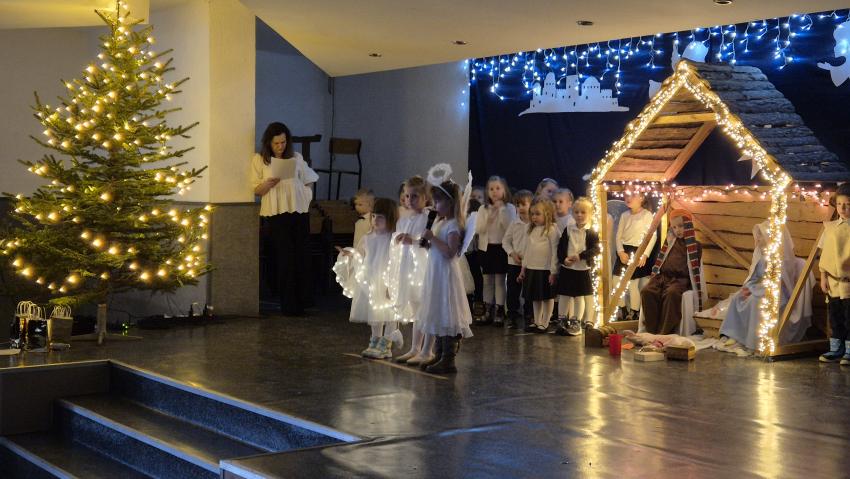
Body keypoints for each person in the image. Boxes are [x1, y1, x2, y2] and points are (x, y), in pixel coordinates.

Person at [251, 122, 318, 316]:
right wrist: (269, 183)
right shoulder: (260, 160)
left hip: (298, 210)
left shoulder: (296, 157)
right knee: (285, 257)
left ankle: (303, 301)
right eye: (276, 143)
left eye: (283, 142)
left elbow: (309, 179)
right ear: (269, 143)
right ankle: (289, 305)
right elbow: (256, 190)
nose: (280, 146)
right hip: (277, 213)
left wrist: (306, 194)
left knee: (301, 254)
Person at [717, 221, 811, 353]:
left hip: (777, 295)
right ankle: (735, 334)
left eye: (761, 235)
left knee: (756, 302)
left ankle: (754, 342)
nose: (758, 239)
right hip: (759, 290)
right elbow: (755, 277)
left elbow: (779, 282)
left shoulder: (781, 259)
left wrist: (755, 290)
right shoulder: (761, 258)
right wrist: (748, 288)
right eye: (758, 236)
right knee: (737, 298)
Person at [416, 180, 474, 374]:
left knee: (447, 311)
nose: (435, 205)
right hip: (436, 273)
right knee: (438, 311)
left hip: (446, 276)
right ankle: (439, 353)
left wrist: (432, 238)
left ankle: (448, 358)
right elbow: (437, 249)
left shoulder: (454, 225)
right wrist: (428, 243)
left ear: (450, 203)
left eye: (438, 201)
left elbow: (450, 252)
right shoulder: (440, 222)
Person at [334, 198, 402, 359]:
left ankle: (386, 344)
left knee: (389, 313)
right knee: (375, 313)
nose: (375, 220)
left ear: (390, 218)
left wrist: (392, 283)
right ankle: (375, 340)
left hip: (387, 281)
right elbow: (360, 254)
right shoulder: (368, 237)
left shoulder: (393, 238)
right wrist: (350, 255)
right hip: (371, 281)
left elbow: (397, 260)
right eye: (374, 216)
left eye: (380, 217)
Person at [390, 176, 436, 366]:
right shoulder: (404, 218)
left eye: (415, 196)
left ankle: (428, 350)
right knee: (417, 309)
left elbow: (430, 243)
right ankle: (415, 348)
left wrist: (414, 241)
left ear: (425, 197)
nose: (409, 200)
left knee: (427, 309)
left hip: (424, 268)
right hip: (408, 268)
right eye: (407, 196)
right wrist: (397, 238)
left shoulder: (429, 218)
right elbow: (397, 237)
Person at [640, 209, 702, 335]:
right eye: (674, 227)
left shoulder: (695, 245)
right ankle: (651, 330)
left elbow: (694, 269)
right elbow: (662, 261)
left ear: (688, 225)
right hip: (663, 277)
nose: (678, 230)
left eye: (681, 226)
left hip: (680, 280)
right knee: (647, 291)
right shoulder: (669, 242)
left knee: (671, 294)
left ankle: (664, 332)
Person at [474, 176, 517, 326]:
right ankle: (487, 309)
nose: (494, 192)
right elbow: (479, 229)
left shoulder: (509, 208)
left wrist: (501, 211)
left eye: (498, 188)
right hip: (486, 248)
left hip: (501, 248)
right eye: (491, 189)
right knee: (487, 281)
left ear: (504, 190)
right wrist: (490, 217)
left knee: (499, 280)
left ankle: (499, 310)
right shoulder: (483, 208)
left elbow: (509, 228)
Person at [555, 197, 599, 336]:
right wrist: (564, 259)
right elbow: (561, 247)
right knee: (564, 295)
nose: (579, 215)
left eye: (583, 212)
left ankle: (576, 322)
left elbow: (596, 249)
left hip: (582, 269)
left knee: (579, 296)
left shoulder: (591, 231)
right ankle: (562, 320)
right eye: (576, 212)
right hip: (568, 268)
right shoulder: (568, 229)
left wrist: (581, 256)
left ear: (590, 214)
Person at [818, 183, 850, 364]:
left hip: (848, 282)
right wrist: (823, 277)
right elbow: (825, 254)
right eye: (839, 204)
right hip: (833, 282)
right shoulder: (830, 228)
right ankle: (836, 349)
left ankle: (849, 351)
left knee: (849, 317)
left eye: (848, 204)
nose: (843, 209)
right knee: (835, 316)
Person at [614, 191, 657, 322]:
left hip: (638, 251)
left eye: (632, 195)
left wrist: (645, 254)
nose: (628, 198)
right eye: (626, 195)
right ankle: (622, 309)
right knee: (616, 280)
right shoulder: (624, 215)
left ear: (641, 198)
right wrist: (620, 252)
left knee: (633, 284)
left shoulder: (647, 215)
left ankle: (634, 311)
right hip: (624, 251)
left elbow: (653, 236)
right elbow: (618, 236)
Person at [518, 199, 559, 333]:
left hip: (545, 270)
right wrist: (523, 268)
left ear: (547, 214)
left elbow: (555, 251)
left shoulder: (552, 229)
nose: (534, 217)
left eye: (537, 214)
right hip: (532, 268)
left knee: (547, 297)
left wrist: (553, 271)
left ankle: (545, 322)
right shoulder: (529, 229)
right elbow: (526, 250)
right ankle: (537, 321)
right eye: (532, 214)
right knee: (535, 297)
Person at [502, 190, 533, 329]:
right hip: (514, 263)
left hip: (530, 264)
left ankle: (529, 315)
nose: (520, 208)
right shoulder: (514, 223)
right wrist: (512, 254)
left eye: (524, 204)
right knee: (513, 291)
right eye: (518, 205)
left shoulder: (534, 224)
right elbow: (505, 241)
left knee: (529, 291)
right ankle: (512, 316)